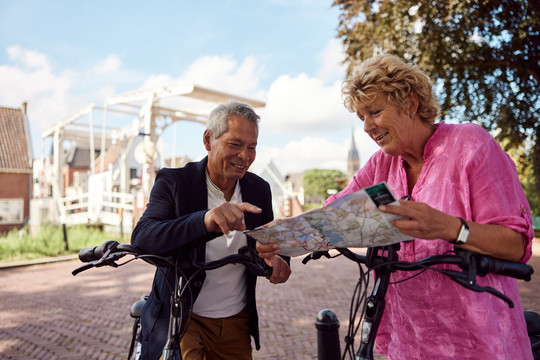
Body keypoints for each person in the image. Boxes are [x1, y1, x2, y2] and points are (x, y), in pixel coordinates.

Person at [258, 54, 534, 359]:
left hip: (477, 342)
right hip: (408, 342)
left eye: (374, 111)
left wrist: (451, 228)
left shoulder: (470, 145)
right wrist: (281, 238)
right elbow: (333, 215)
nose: (366, 126)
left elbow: (515, 244)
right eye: (361, 117)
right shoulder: (381, 165)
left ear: (411, 103)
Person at [131, 100, 292, 360]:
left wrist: (277, 260)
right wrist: (204, 221)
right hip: (183, 318)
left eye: (252, 148)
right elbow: (143, 237)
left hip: (236, 320)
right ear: (208, 140)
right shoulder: (174, 181)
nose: (245, 156)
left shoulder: (259, 189)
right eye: (235, 144)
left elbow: (270, 242)